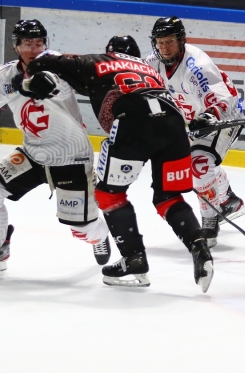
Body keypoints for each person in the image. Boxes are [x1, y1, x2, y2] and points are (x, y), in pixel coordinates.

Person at [17, 37, 214, 292]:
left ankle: (134, 260)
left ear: (109, 52)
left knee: (109, 194)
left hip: (134, 121)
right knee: (168, 197)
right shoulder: (149, 70)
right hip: (174, 123)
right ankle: (200, 248)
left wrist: (34, 76)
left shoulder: (97, 61)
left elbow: (44, 61)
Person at [0, 19, 111, 273]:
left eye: (39, 43)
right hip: (33, 153)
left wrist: (42, 84)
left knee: (81, 229)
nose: (35, 49)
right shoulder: (1, 75)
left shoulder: (60, 66)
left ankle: (100, 235)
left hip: (71, 157)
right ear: (16, 46)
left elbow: (59, 85)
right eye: (28, 43)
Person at [145, 16, 245, 247]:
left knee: (199, 167)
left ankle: (210, 222)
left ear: (181, 40)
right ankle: (227, 197)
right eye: (160, 42)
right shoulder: (153, 62)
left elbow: (222, 101)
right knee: (194, 167)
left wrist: (210, 116)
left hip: (224, 117)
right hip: (194, 119)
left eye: (170, 41)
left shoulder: (197, 66)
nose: (165, 47)